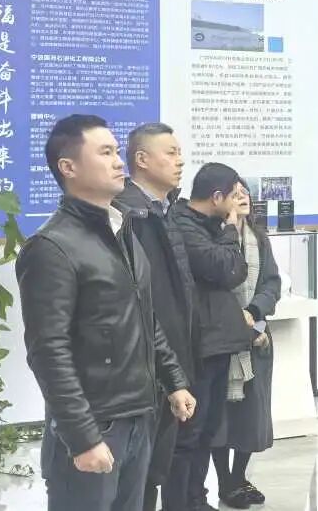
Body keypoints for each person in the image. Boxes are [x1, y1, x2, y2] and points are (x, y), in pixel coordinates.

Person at [17, 114, 196, 511]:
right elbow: (48, 351)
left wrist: (174, 380)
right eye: (105, 152)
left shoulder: (123, 230)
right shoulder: (52, 247)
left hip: (139, 416)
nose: (118, 161)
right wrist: (82, 437)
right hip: (95, 424)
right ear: (68, 167)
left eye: (116, 151)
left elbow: (145, 317)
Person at [114, 123, 201, 511]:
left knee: (162, 464)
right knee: (140, 474)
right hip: (145, 365)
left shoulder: (168, 210)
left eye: (180, 152)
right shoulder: (127, 214)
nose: (180, 161)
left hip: (174, 359)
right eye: (171, 152)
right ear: (142, 159)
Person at [165, 163, 252, 511]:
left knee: (207, 431)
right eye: (234, 195)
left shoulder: (213, 227)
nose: (237, 203)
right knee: (189, 433)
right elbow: (222, 267)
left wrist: (228, 235)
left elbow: (237, 270)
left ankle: (197, 498)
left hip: (219, 343)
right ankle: (181, 503)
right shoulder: (182, 224)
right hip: (196, 345)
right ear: (217, 197)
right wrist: (231, 230)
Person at [211, 178, 281, 509]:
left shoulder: (259, 238)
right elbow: (214, 290)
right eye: (234, 194)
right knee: (221, 420)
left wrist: (255, 313)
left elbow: (271, 283)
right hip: (223, 343)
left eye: (245, 194)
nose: (242, 199)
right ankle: (225, 481)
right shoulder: (213, 239)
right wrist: (241, 324)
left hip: (258, 340)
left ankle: (239, 477)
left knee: (252, 417)